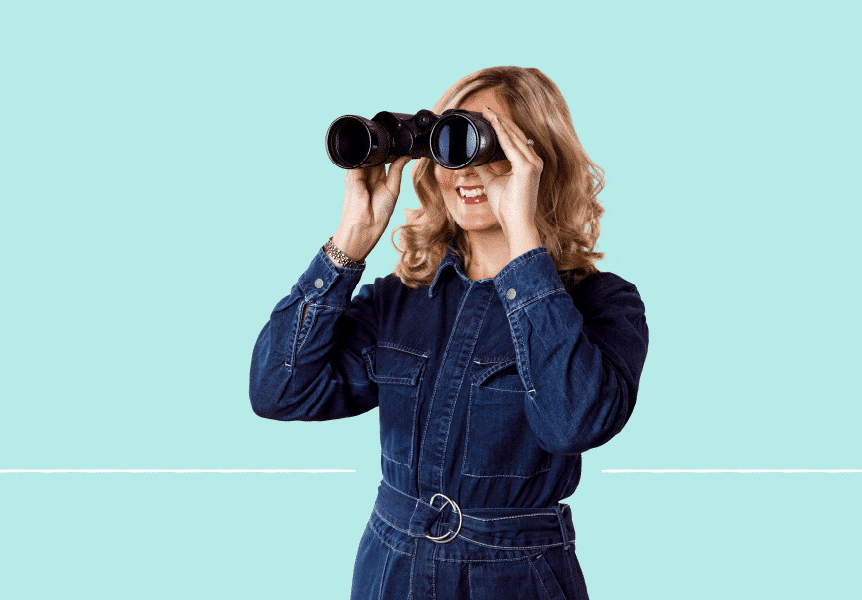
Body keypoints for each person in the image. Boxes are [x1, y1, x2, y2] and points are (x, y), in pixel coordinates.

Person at [249, 66, 649, 600]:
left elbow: (572, 425)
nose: (466, 167)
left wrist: (523, 245)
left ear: (538, 160)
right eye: (450, 141)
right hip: (390, 571)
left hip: (516, 578)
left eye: (487, 142)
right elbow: (278, 390)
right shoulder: (398, 298)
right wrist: (352, 238)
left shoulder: (605, 303)